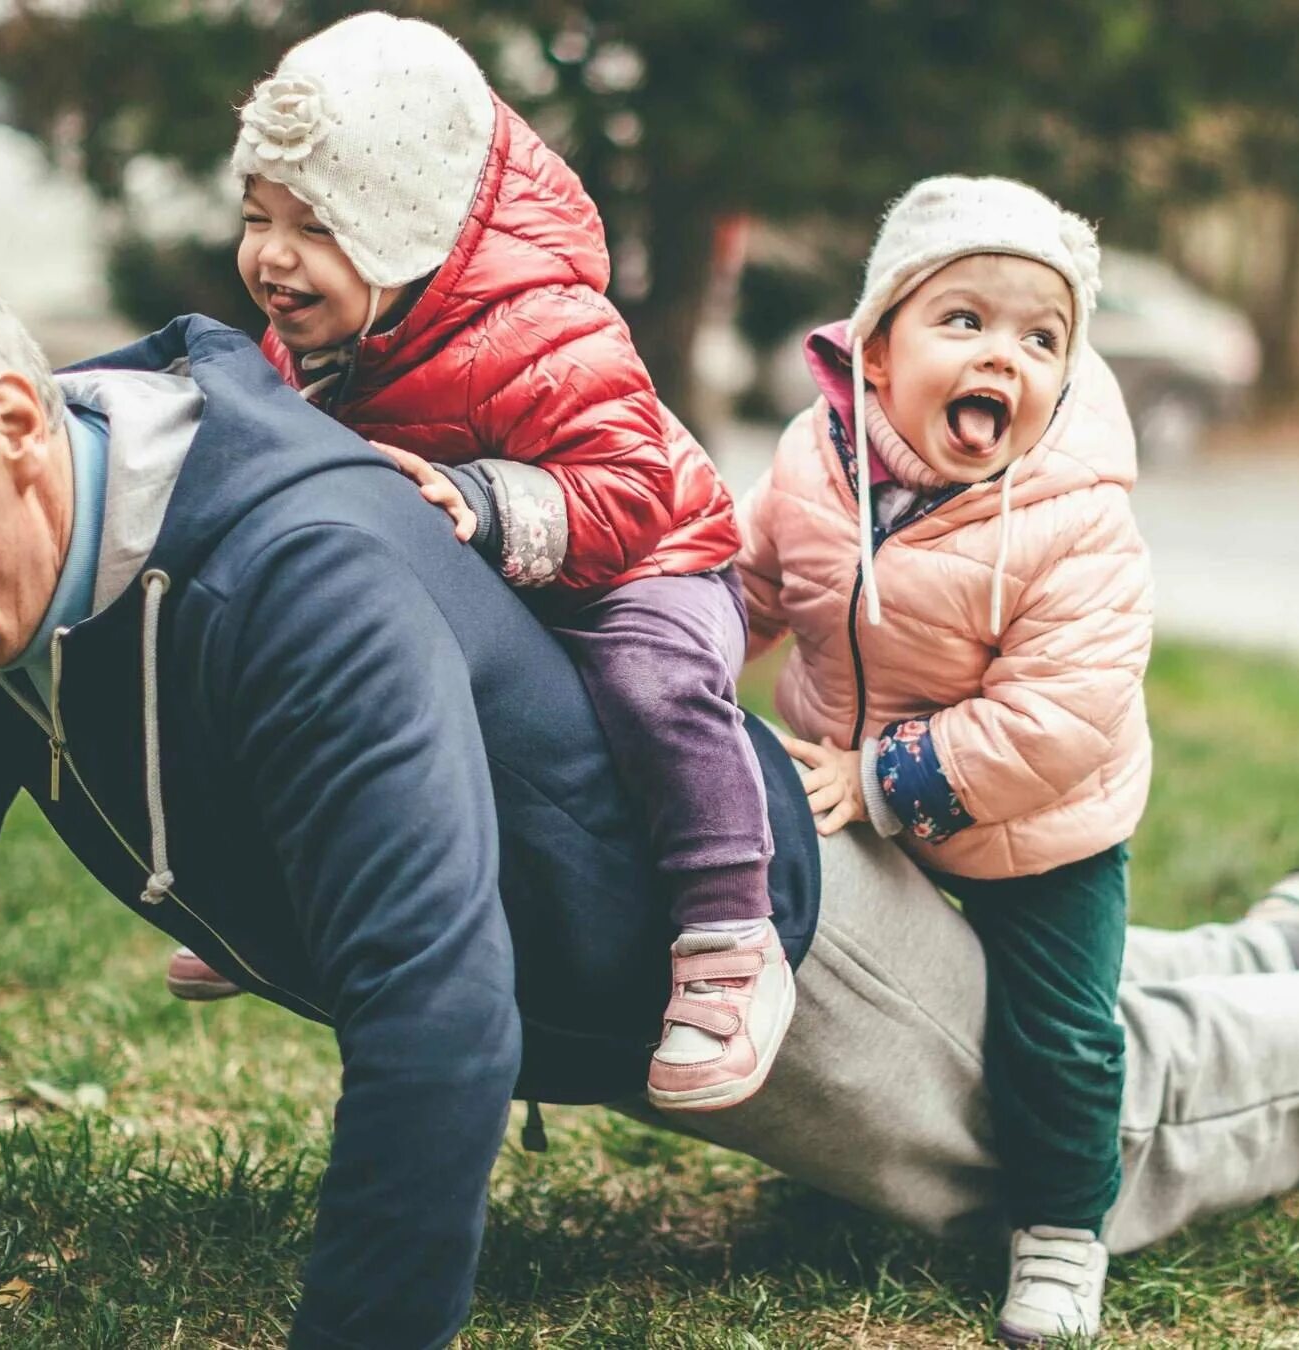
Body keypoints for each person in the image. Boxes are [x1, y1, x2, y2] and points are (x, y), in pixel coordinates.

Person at [0, 233, 1299, 1350]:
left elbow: (437, 1017)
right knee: (1070, 1028)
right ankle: (1258, 950)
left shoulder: (278, 569)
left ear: (18, 429)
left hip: (733, 942)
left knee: (1099, 1134)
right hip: (627, 938)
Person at [170, 11, 790, 1113]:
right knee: (327, 673)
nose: (271, 255)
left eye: (315, 226)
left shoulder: (550, 329)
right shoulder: (322, 338)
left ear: (408, 229)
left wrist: (492, 502)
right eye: (258, 214)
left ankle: (731, 934)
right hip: (483, 568)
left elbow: (633, 487)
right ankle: (289, 894)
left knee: (653, 686)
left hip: (641, 560)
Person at [736, 174, 1148, 1341]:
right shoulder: (815, 465)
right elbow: (756, 585)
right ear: (873, 351)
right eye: (962, 321)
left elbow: (1059, 715)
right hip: (846, 772)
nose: (1002, 356)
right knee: (838, 973)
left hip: (1038, 823)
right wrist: (683, 655)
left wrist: (879, 782)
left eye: (1041, 336)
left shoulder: (1077, 517)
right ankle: (841, 1155)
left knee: (1057, 1030)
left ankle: (1064, 1228)